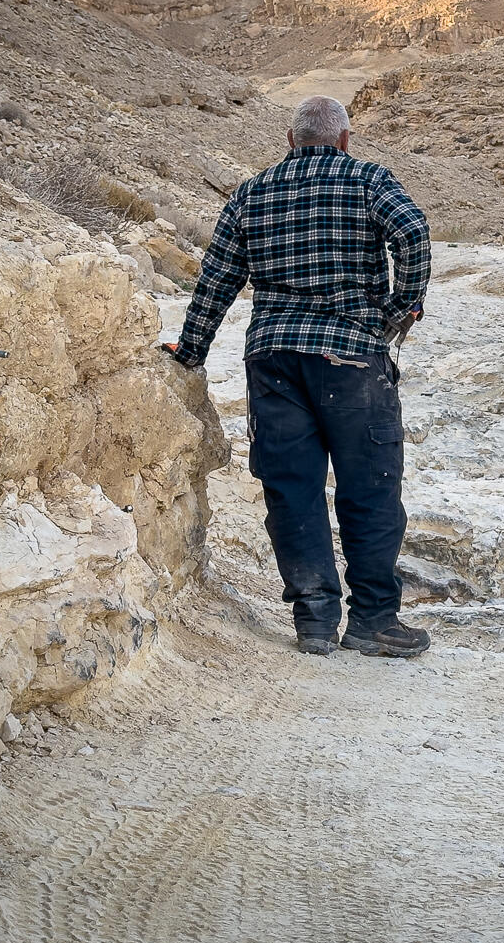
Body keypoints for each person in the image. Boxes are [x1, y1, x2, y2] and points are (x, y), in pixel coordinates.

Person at [165, 95, 433, 658]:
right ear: (344, 140)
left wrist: (190, 349)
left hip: (274, 360)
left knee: (292, 489)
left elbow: (216, 279)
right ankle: (374, 621)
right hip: (353, 358)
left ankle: (313, 619)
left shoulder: (252, 192)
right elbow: (411, 231)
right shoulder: (366, 179)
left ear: (290, 142)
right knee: (370, 490)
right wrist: (401, 308)